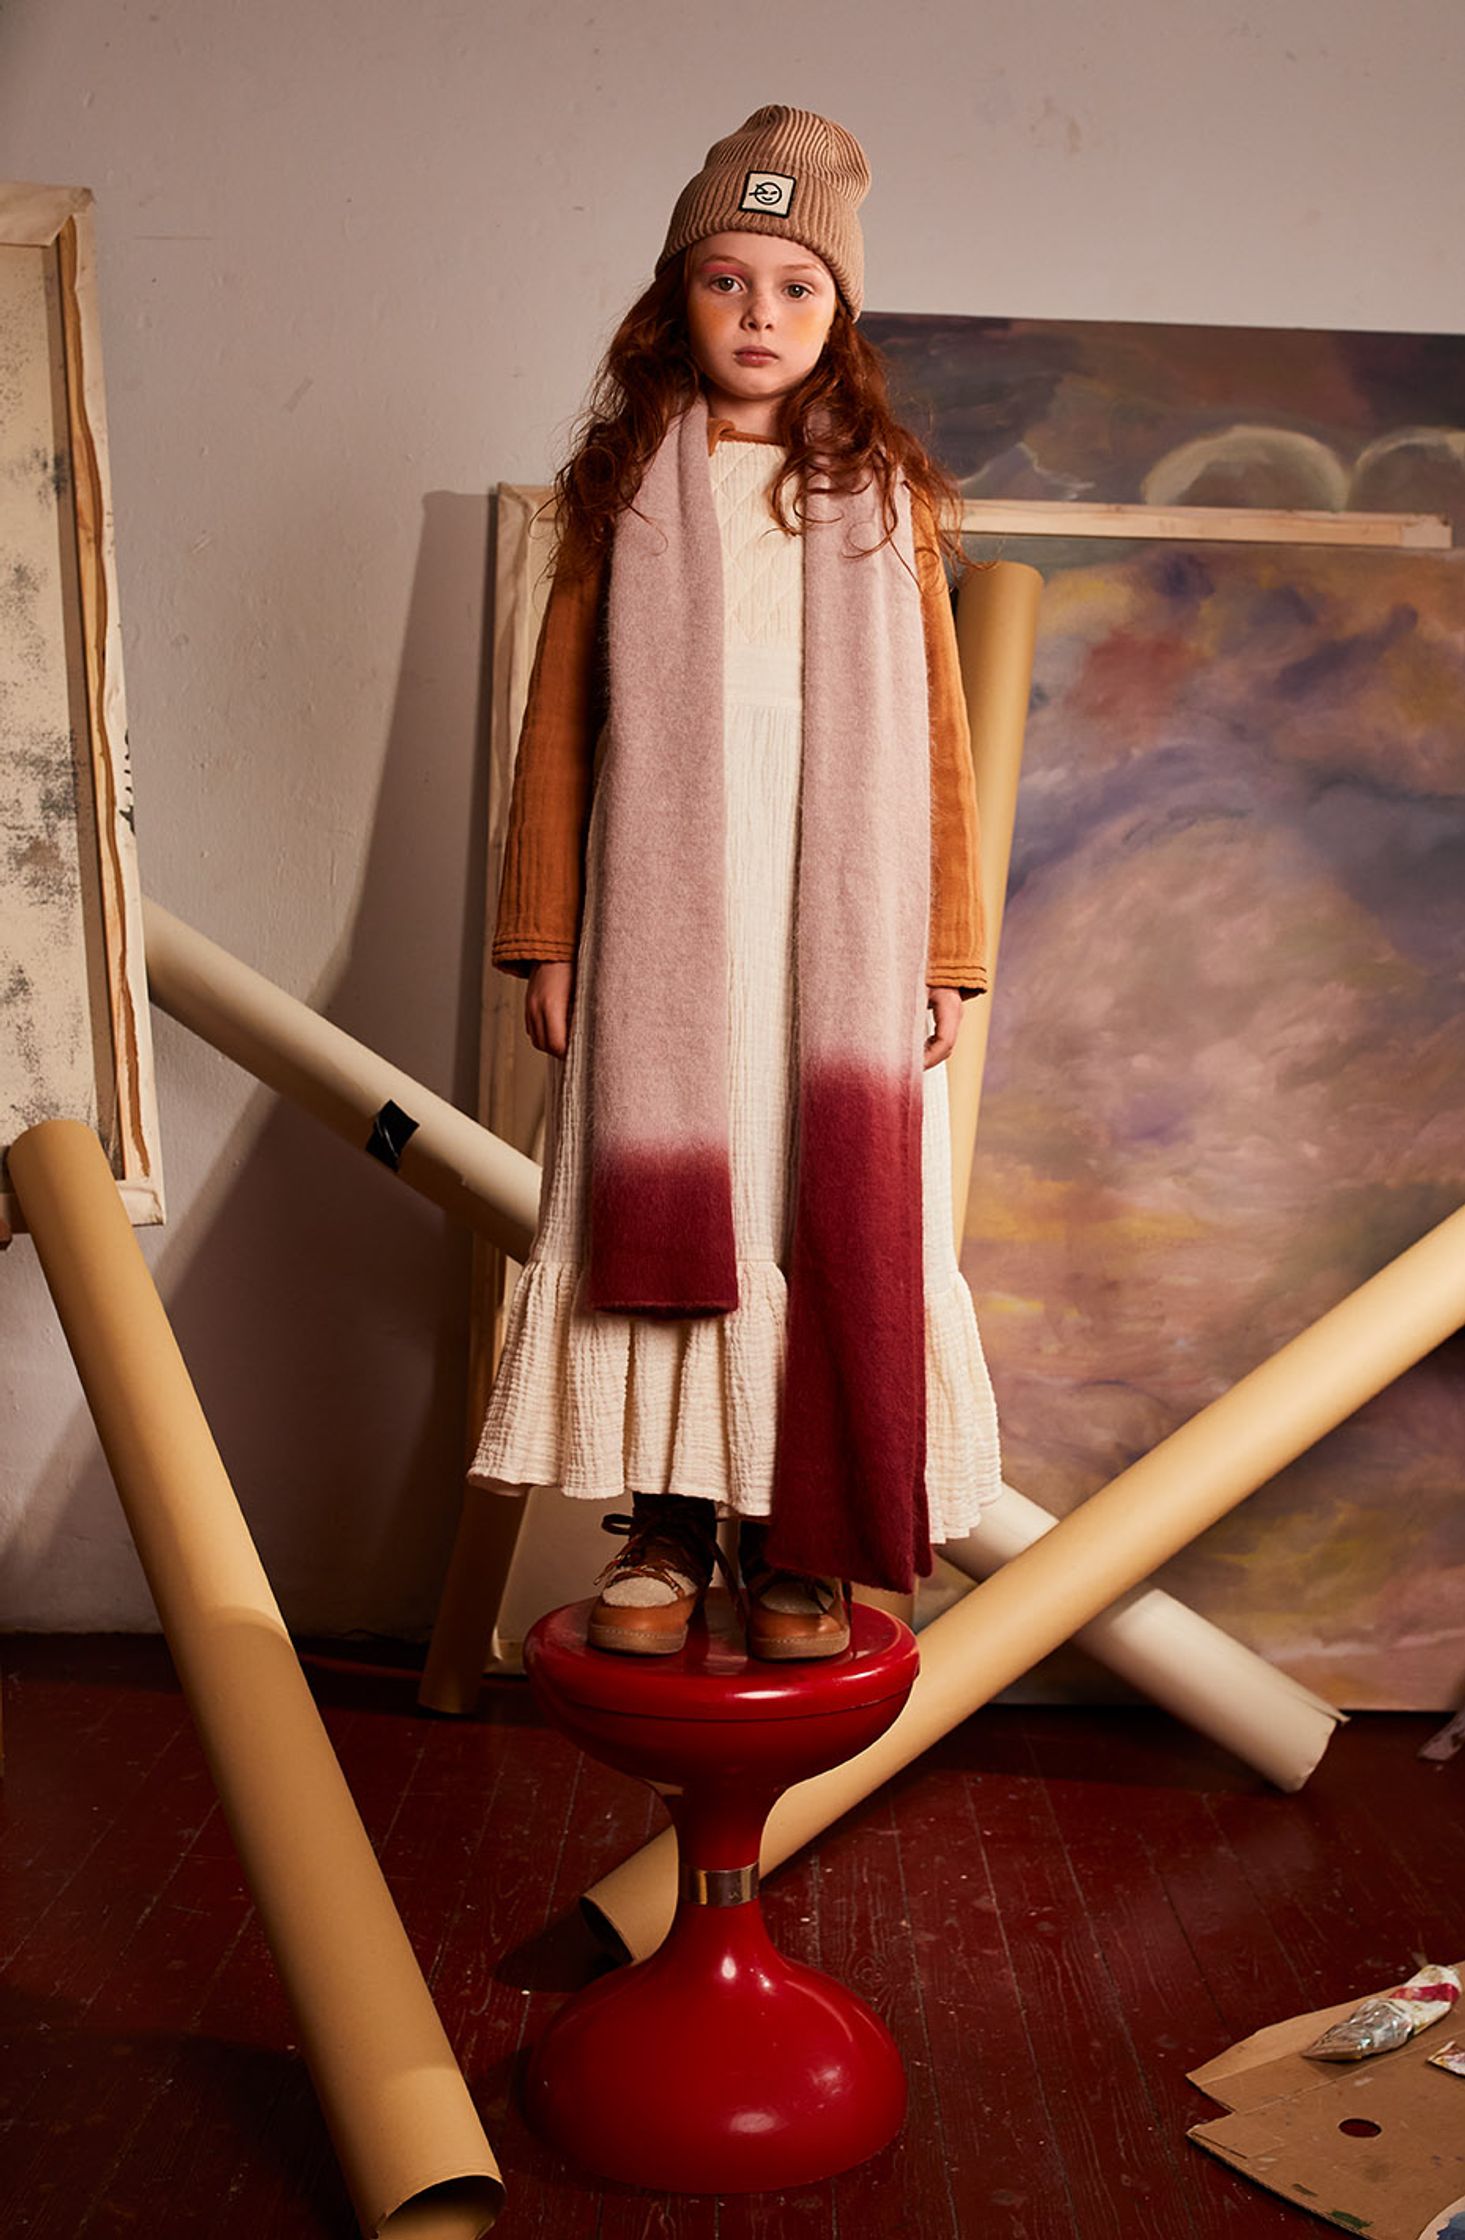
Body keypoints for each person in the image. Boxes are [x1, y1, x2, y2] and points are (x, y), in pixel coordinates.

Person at [470, 103, 1003, 1660]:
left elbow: (941, 754)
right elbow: (557, 737)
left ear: (839, 318)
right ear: (673, 301)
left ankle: (799, 1539)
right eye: (726, 281)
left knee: (810, 1211)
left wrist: (945, 959)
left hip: (835, 938)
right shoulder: (627, 497)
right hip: (664, 924)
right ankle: (670, 1525)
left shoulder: (887, 510)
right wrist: (550, 939)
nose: (759, 317)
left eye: (795, 287)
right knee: (680, 1204)